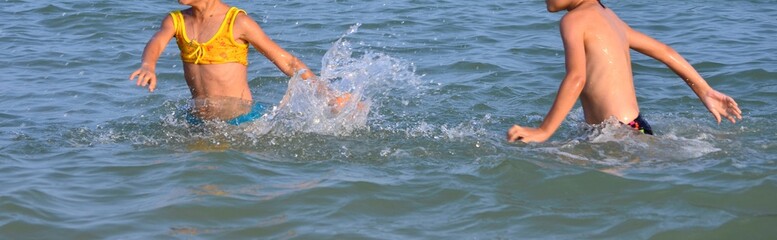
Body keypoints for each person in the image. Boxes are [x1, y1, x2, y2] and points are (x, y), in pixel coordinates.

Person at [507, 0, 742, 143]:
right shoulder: (611, 18)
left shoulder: (573, 20)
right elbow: (664, 50)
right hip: (637, 127)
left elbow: (577, 77)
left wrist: (544, 130)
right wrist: (705, 91)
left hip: (615, 135)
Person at [129, 0, 348, 125]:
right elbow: (156, 42)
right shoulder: (176, 20)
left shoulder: (237, 22)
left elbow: (289, 63)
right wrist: (148, 65)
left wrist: (328, 95)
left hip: (242, 121)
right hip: (198, 120)